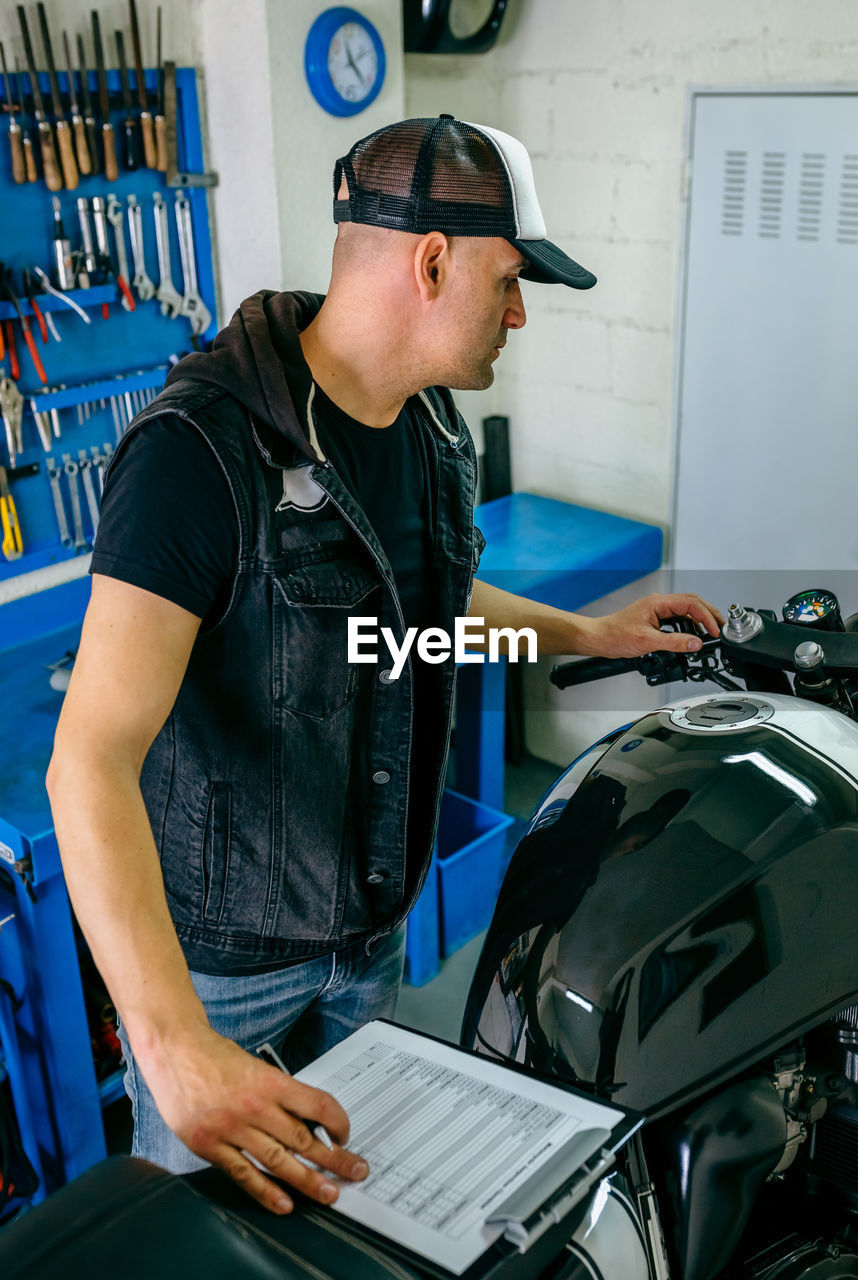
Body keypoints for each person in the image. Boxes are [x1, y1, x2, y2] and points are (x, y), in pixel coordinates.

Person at [46, 115, 722, 1215]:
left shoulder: (430, 432)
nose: (518, 314)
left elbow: (427, 608)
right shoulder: (196, 454)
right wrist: (171, 1044)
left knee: (340, 1219)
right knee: (201, 1242)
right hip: (223, 973)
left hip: (368, 933)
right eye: (510, 281)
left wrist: (599, 636)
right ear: (433, 260)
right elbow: (88, 759)